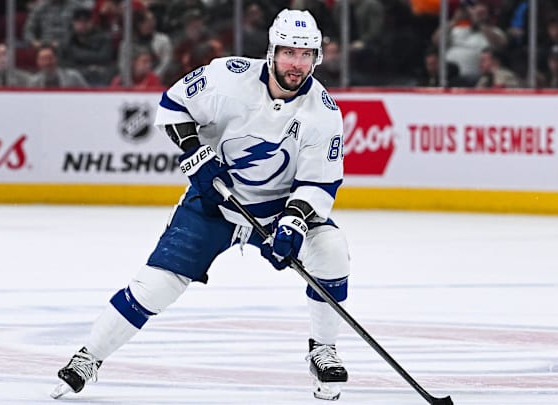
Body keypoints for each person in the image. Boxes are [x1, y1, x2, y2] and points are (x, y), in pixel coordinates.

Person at [52, 8, 350, 402]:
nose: (296, 64)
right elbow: (172, 107)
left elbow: (319, 183)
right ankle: (89, 356)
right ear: (272, 52)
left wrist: (294, 222)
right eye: (288, 53)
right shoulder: (229, 77)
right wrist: (196, 155)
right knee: (155, 286)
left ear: (317, 58)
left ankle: (322, 349)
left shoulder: (323, 114)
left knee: (330, 249)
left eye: (305, 55)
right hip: (215, 203)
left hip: (279, 208)